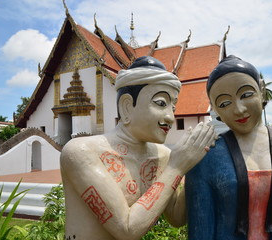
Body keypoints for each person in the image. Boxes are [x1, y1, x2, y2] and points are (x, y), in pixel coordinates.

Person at [60, 56, 216, 240]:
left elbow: (176, 217)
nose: (170, 117)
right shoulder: (81, 152)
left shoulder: (162, 155)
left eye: (173, 107)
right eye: (160, 103)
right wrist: (177, 167)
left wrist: (194, 161)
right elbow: (127, 229)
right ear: (127, 107)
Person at [185, 55, 272, 240]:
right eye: (224, 103)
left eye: (246, 95)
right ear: (215, 109)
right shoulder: (206, 155)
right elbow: (200, 233)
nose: (238, 109)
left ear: (262, 91)